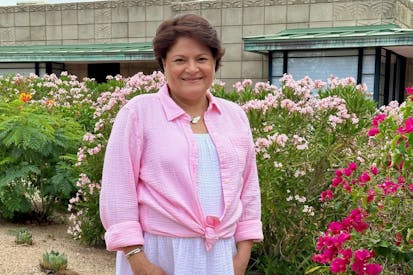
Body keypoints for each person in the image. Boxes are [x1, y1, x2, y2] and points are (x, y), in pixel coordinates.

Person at [99, 13, 263, 275]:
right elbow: (117, 192)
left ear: (215, 63)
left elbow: (249, 192)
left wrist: (241, 258)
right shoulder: (139, 113)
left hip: (222, 255)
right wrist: (139, 262)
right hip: (159, 254)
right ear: (163, 63)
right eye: (179, 60)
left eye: (201, 59)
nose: (192, 69)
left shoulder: (235, 116)